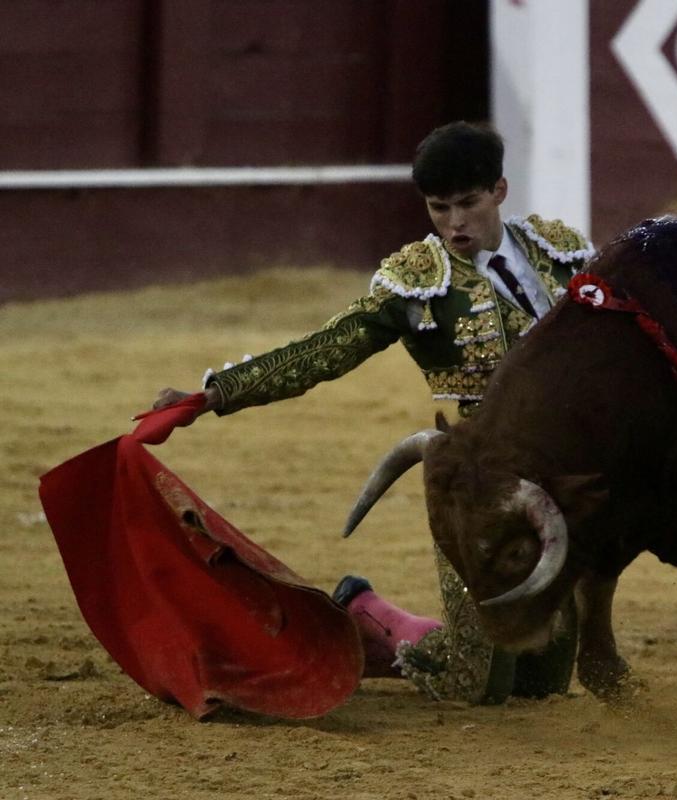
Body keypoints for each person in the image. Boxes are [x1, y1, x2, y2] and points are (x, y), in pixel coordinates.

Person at [153, 121, 594, 704]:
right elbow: (328, 348)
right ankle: (371, 616)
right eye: (439, 208)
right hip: (478, 481)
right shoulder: (418, 283)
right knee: (475, 686)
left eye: (468, 203)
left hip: (563, 474)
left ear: (500, 191)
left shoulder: (560, 253)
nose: (455, 224)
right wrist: (218, 392)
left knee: (541, 685)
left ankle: (392, 629)